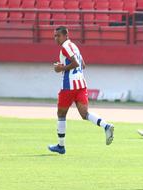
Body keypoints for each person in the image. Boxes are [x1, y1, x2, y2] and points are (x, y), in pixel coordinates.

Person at [48, 26, 114, 155]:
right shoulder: (74, 46)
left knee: (61, 114)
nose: (56, 38)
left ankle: (61, 146)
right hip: (81, 84)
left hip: (68, 86)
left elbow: (76, 64)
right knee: (84, 114)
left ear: (65, 35)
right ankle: (106, 126)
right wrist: (66, 66)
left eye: (58, 36)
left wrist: (60, 69)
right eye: (55, 36)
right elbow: (83, 64)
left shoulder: (65, 47)